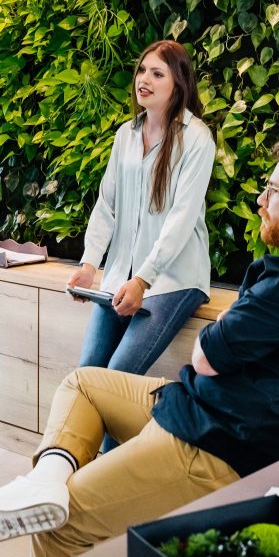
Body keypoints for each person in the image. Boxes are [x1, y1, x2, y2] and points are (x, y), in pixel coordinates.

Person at [0, 139, 279, 557]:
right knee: (84, 383)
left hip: (213, 447)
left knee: (63, 522)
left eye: (274, 191)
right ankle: (43, 481)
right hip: (200, 409)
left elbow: (207, 356)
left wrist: (223, 329)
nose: (261, 200)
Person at [67, 39, 216, 378]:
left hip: (173, 280)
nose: (144, 79)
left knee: (117, 374)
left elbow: (181, 220)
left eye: (158, 74)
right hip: (121, 277)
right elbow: (106, 206)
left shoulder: (197, 138)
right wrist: (89, 264)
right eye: (143, 71)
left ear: (178, 84)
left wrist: (142, 280)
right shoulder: (126, 134)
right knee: (87, 374)